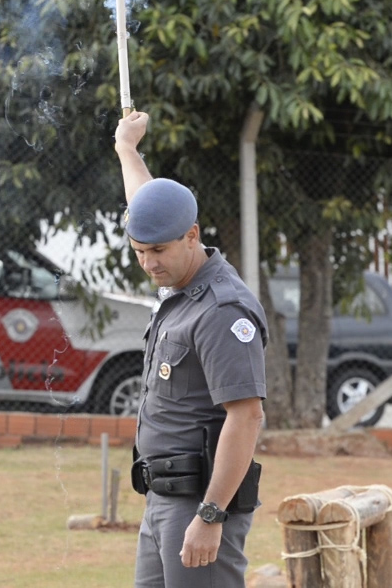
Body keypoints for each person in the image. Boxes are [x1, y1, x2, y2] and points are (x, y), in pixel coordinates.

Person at [115, 110, 268, 588]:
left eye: (157, 252)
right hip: (160, 497)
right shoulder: (179, 282)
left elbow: (247, 417)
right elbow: (148, 205)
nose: (148, 264)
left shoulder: (221, 310)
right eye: (139, 252)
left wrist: (211, 514)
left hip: (199, 500)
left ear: (192, 235)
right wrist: (127, 149)